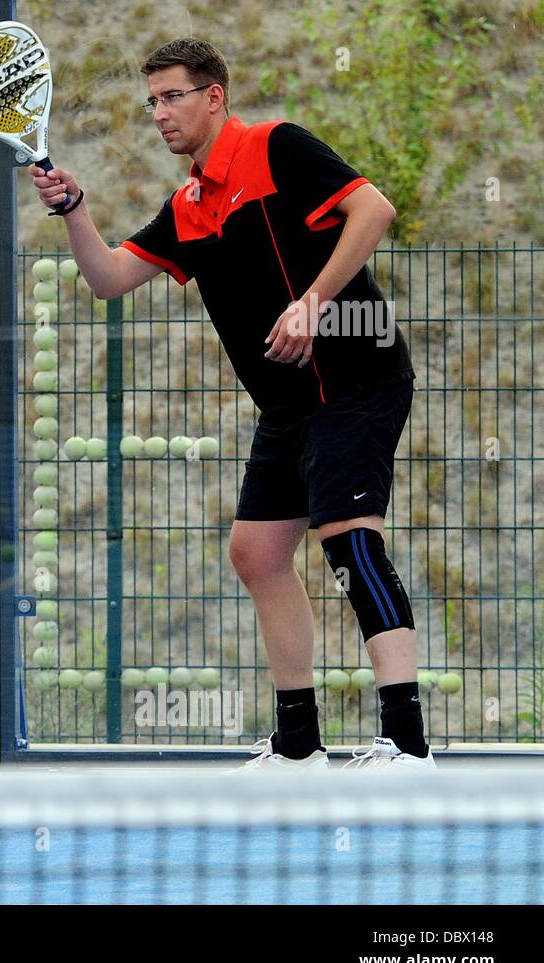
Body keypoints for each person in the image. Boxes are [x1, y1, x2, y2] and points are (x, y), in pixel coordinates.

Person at [31, 38, 433, 770]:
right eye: (151, 100)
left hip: (358, 379)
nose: (159, 113)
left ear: (212, 96)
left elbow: (374, 209)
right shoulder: (188, 205)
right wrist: (76, 209)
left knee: (347, 537)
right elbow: (110, 278)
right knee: (256, 553)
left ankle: (407, 743)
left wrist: (313, 304)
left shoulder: (276, 148)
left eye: (172, 96)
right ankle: (299, 744)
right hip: (287, 405)